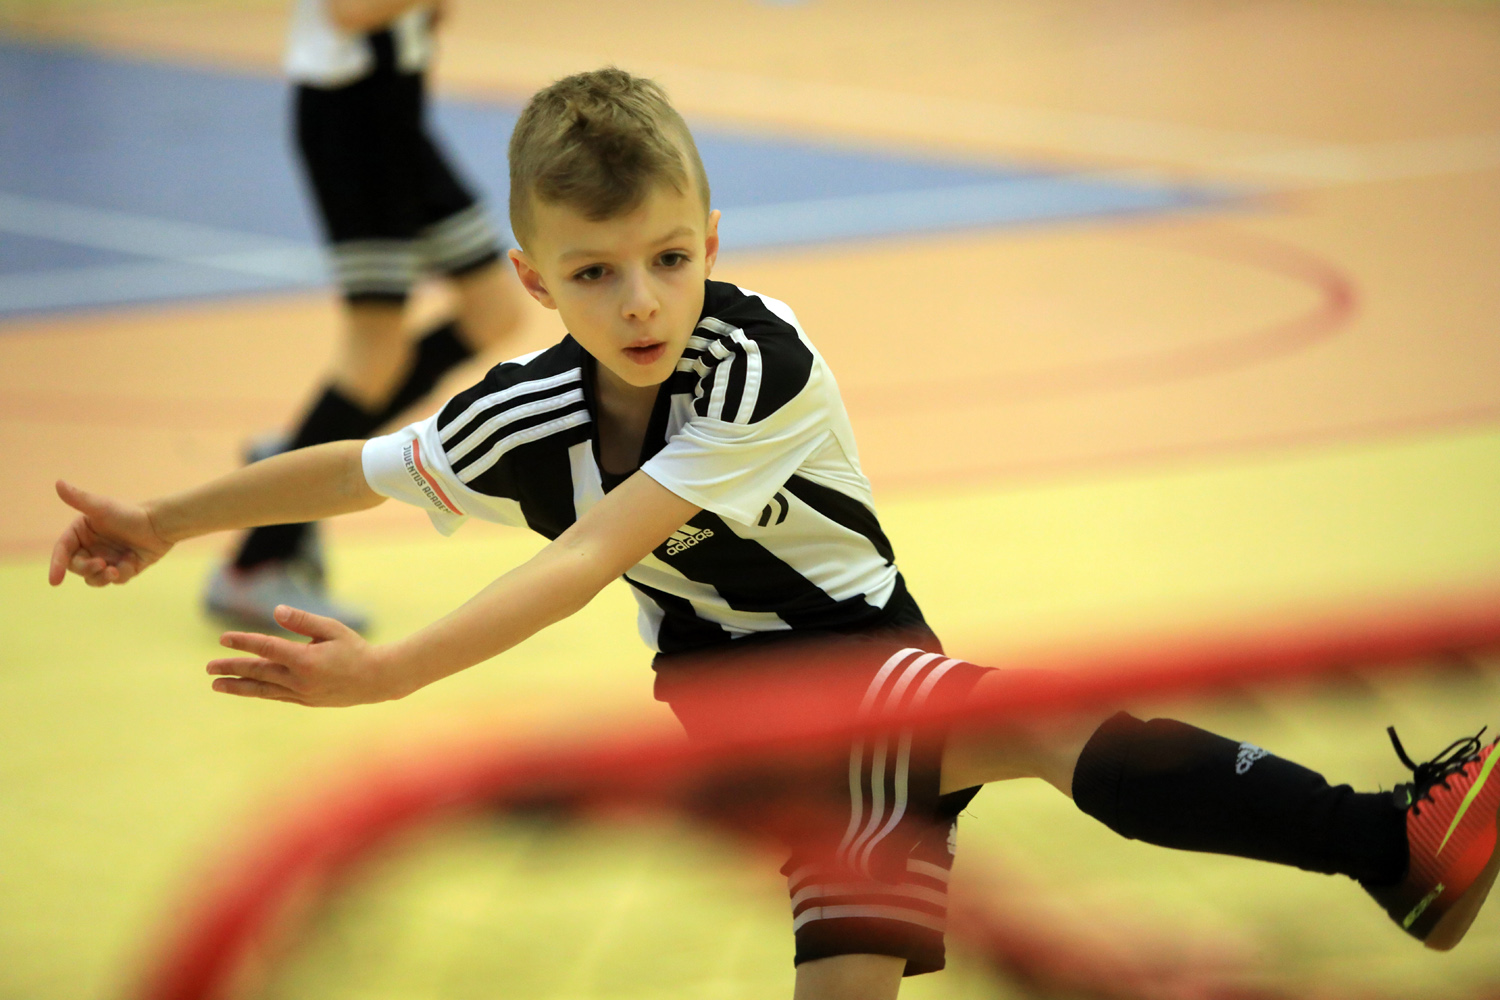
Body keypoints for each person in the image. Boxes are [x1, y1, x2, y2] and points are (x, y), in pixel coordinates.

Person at [50, 69, 1498, 999]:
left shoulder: (757, 362)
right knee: (1036, 738)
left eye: (670, 258)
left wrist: (393, 670)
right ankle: (1386, 847)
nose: (641, 301)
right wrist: (168, 518)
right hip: (749, 709)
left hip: (857, 665)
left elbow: (585, 557)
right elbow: (366, 471)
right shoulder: (528, 411)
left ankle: (1388, 852)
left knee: (975, 809)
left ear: (714, 240)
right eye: (596, 273)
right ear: (535, 282)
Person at [204, 0, 527, 632]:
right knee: (375, 353)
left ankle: (293, 455)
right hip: (354, 124)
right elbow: (350, 10)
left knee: (492, 309)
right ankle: (253, 565)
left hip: (396, 116)